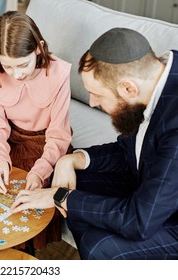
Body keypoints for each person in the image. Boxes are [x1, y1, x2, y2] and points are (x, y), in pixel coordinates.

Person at [11, 28, 178, 259]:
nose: (91, 102)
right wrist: (70, 159)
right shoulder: (157, 79)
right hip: (152, 187)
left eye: (97, 95)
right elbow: (130, 149)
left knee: (100, 247)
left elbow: (139, 221)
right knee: (75, 181)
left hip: (168, 218)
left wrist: (61, 197)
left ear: (129, 88)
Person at [0, 11, 72, 247]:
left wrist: (40, 171)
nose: (16, 75)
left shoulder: (59, 73)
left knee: (25, 197)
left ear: (39, 48)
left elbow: (58, 134)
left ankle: (21, 255)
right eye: (8, 66)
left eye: (23, 65)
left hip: (42, 141)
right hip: (3, 136)